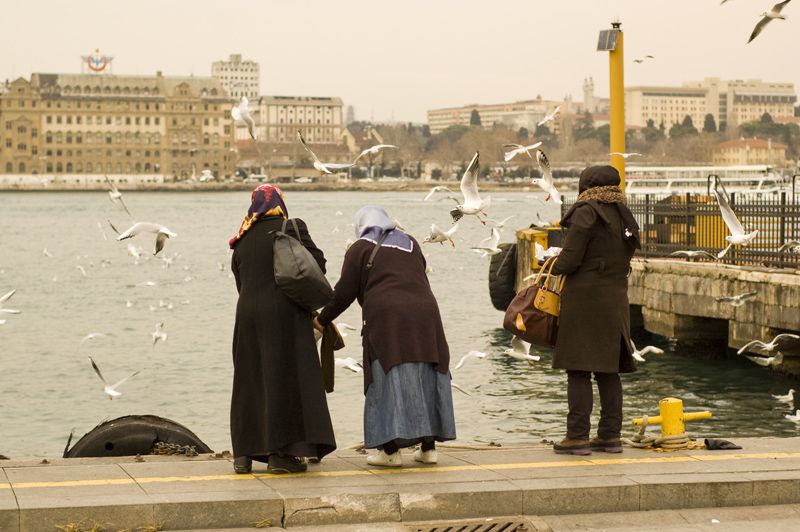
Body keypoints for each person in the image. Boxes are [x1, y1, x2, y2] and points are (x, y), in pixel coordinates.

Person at [314, 205, 456, 466]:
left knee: (385, 375)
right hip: (426, 313)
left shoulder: (360, 248)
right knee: (425, 369)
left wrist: (322, 320)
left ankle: (389, 452)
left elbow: (343, 292)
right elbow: (418, 273)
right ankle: (428, 449)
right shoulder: (411, 242)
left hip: (387, 316)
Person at [229, 184, 336, 474]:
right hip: (285, 315)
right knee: (285, 381)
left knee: (250, 381)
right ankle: (281, 456)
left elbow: (240, 279)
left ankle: (243, 455)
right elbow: (318, 266)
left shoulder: (242, 237)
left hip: (247, 316)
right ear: (279, 203)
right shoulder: (291, 227)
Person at [550, 165, 640, 456]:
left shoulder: (587, 210)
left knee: (578, 368)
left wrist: (552, 262)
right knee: (608, 370)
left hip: (584, 299)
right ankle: (610, 436)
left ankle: (577, 436)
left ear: (585, 184)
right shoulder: (623, 212)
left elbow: (570, 259)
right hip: (615, 298)